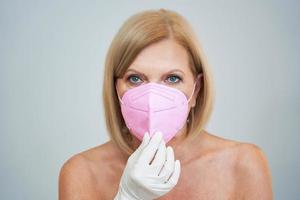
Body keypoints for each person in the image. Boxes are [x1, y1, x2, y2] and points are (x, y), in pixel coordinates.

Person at [59, 8, 273, 199]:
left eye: (172, 78)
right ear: (116, 89)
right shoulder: (82, 173)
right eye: (135, 78)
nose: (153, 97)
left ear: (196, 89)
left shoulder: (243, 165)